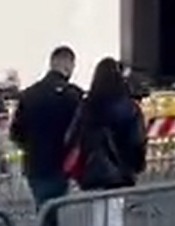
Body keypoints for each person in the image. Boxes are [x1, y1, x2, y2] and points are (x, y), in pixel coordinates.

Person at [66, 57, 148, 226]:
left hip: (92, 168)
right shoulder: (129, 107)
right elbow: (137, 140)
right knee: (115, 214)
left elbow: (73, 137)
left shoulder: (87, 105)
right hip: (119, 169)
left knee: (98, 214)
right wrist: (137, 165)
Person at [10, 45, 83, 210]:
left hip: (34, 164)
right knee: (61, 211)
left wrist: (30, 145)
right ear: (69, 65)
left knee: (43, 209)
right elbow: (80, 131)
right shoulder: (74, 95)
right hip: (61, 164)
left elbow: (16, 133)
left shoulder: (28, 95)